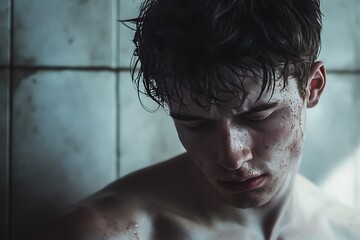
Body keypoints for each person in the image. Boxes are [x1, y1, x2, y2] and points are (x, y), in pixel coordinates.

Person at [42, 0, 360, 239]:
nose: (232, 156)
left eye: (258, 116)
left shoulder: (346, 231)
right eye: (197, 124)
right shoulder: (107, 232)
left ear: (313, 87)